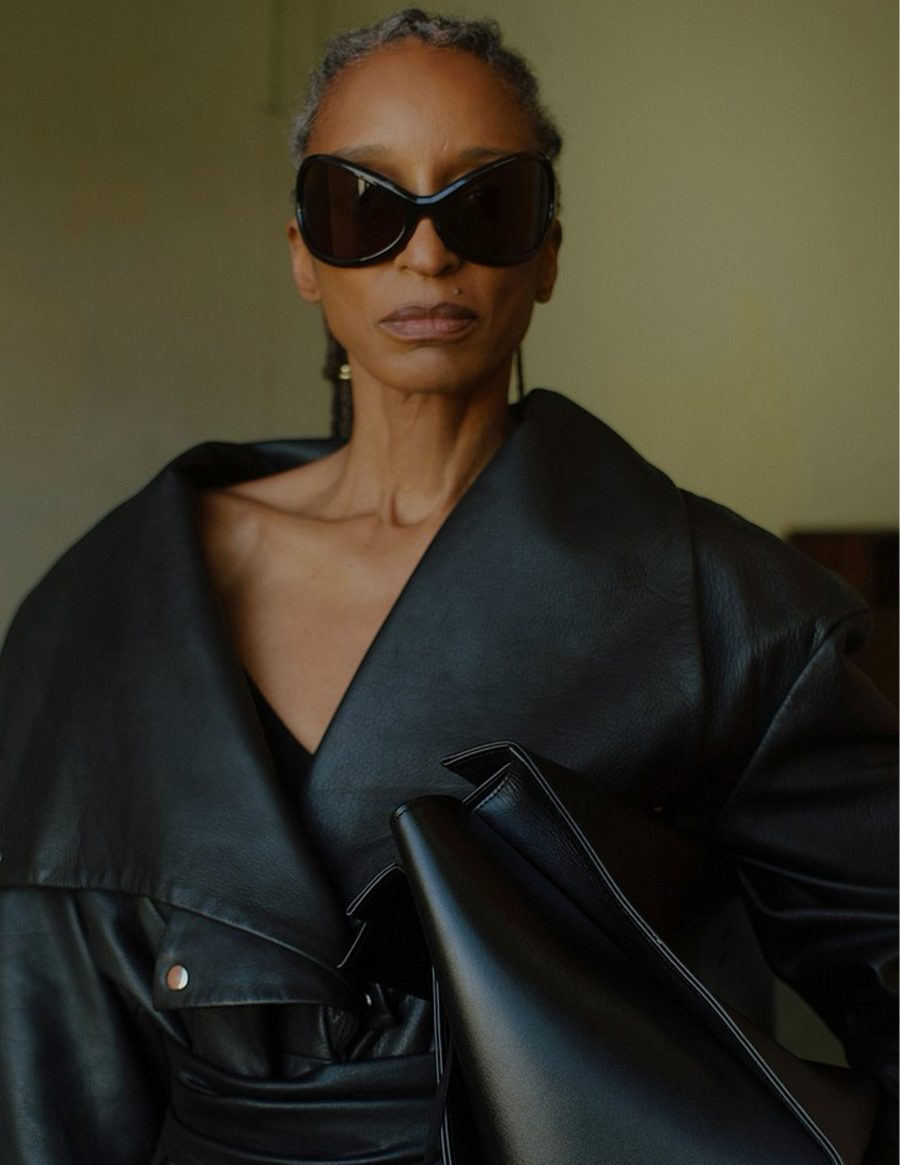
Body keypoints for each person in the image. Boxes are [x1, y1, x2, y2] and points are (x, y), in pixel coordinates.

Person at [0, 9, 895, 1164]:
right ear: (302, 253)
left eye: (484, 202)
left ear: (549, 251)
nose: (426, 255)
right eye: (363, 205)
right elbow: (43, 1016)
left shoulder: (717, 604)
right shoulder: (121, 594)